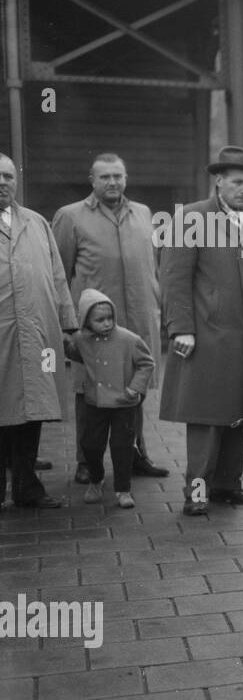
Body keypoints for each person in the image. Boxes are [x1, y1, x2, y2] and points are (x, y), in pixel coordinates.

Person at [158, 146, 243, 517]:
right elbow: (174, 278)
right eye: (238, 182)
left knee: (241, 411)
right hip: (208, 335)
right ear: (218, 181)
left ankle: (228, 485)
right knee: (206, 417)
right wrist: (181, 329)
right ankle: (197, 492)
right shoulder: (193, 218)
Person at [52, 153, 169, 483]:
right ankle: (86, 462)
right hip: (95, 328)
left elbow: (154, 269)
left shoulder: (144, 214)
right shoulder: (70, 217)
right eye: (104, 177)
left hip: (139, 322)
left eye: (118, 175)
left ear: (126, 178)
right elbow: (58, 273)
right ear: (92, 180)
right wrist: (68, 325)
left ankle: (134, 456)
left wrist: (162, 312)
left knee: (137, 389)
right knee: (90, 394)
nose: (113, 182)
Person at [0, 153, 77, 509]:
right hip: (3, 333)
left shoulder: (35, 222)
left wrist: (67, 325)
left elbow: (58, 276)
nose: (3, 183)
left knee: (33, 410)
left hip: (37, 333)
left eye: (8, 176)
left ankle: (28, 488)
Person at [63, 289, 154, 508]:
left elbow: (147, 363)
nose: (106, 323)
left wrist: (135, 388)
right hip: (95, 403)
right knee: (90, 445)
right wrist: (66, 344)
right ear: (86, 320)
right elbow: (78, 355)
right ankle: (96, 479)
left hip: (124, 403)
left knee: (122, 447)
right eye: (99, 319)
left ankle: (123, 490)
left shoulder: (128, 339)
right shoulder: (83, 339)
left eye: (110, 318)